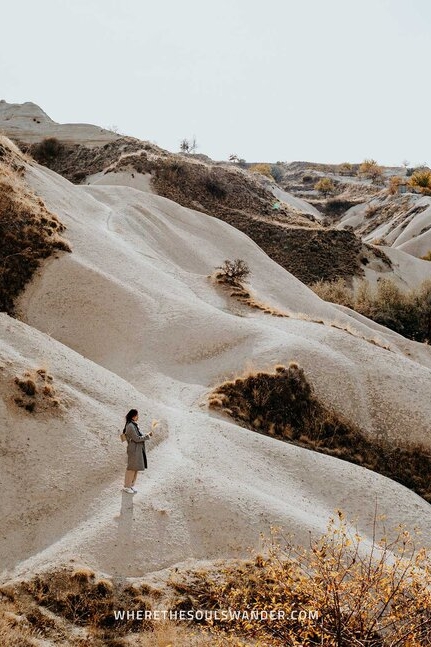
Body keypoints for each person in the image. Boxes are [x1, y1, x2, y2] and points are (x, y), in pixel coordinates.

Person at [123, 409, 152, 494]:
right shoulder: (130, 426)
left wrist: (147, 435)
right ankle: (127, 486)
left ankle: (131, 485)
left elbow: (139, 435)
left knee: (136, 468)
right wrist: (146, 437)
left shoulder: (133, 425)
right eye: (137, 415)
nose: (138, 417)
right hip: (133, 450)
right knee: (131, 468)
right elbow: (136, 438)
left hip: (137, 449)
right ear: (133, 416)